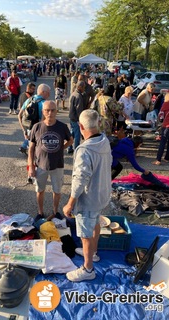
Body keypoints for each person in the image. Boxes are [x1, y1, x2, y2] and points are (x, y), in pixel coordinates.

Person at [63, 109, 112, 282]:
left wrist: (70, 203)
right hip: (102, 194)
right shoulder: (104, 141)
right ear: (97, 123)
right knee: (96, 222)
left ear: (81, 126)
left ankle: (88, 268)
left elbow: (79, 180)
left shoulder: (84, 150)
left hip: (89, 199)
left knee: (85, 234)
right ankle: (94, 252)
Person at [27, 100, 73, 219]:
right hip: (40, 165)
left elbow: (71, 140)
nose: (50, 113)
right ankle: (40, 212)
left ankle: (55, 211)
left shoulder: (62, 127)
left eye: (53, 110)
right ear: (43, 111)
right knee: (40, 190)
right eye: (47, 110)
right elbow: (31, 148)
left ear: (56, 111)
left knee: (57, 191)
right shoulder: (37, 127)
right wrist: (30, 166)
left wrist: (61, 148)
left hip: (57, 165)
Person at [18, 83, 50, 155]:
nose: (49, 95)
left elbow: (19, 115)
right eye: (48, 93)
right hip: (38, 132)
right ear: (43, 92)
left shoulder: (29, 100)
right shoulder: (44, 103)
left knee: (31, 151)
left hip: (29, 129)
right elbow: (43, 121)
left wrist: (24, 130)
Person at [152, 90, 169, 165]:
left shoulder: (166, 104)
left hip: (167, 125)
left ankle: (158, 160)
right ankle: (166, 158)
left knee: (163, 142)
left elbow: (161, 114)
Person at [67, 80, 85, 154]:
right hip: (76, 118)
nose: (84, 88)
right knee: (77, 135)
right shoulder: (78, 96)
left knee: (72, 133)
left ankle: (69, 147)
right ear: (80, 87)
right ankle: (76, 148)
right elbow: (79, 109)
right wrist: (80, 119)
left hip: (71, 117)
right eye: (83, 87)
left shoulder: (73, 93)